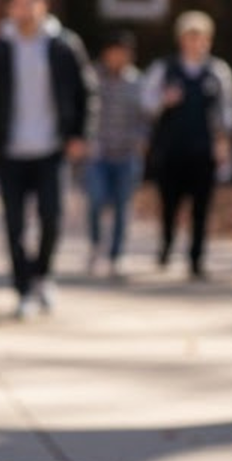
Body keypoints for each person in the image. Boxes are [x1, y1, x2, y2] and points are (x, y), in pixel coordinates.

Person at [0, 0, 94, 319]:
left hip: (51, 149)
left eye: (30, 2)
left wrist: (79, 135)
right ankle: (23, 289)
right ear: (8, 8)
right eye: (17, 3)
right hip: (9, 150)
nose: (23, 10)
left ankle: (43, 275)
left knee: (52, 219)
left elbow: (87, 93)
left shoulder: (64, 46)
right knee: (14, 226)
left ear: (44, 4)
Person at [142, 11, 232, 280]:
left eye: (200, 38)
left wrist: (223, 144)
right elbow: (146, 104)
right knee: (169, 204)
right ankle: (166, 246)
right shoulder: (165, 68)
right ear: (181, 40)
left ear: (208, 40)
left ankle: (196, 258)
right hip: (171, 149)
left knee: (201, 208)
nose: (195, 43)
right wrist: (164, 100)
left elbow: (227, 113)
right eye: (190, 37)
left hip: (202, 150)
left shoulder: (217, 72)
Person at [84, 30, 146, 279]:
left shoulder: (137, 82)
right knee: (96, 200)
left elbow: (146, 118)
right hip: (97, 154)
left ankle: (116, 254)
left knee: (122, 206)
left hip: (127, 153)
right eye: (114, 52)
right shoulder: (91, 78)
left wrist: (143, 140)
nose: (118, 57)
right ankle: (96, 245)